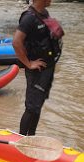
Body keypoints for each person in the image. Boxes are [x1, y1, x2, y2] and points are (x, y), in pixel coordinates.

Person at [13, 0, 64, 136]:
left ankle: (32, 137)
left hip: (47, 68)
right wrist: (29, 64)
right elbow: (16, 42)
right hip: (36, 71)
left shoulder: (44, 13)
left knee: (38, 105)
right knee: (31, 107)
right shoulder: (29, 18)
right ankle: (22, 140)